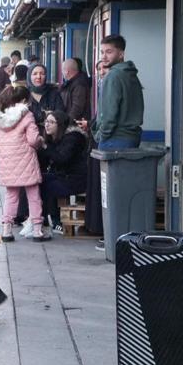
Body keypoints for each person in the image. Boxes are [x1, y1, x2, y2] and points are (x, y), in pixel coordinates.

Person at [0, 86, 46, 241]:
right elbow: (33, 139)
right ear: (23, 100)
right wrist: (41, 141)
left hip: (7, 162)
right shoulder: (27, 115)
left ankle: (7, 229)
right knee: (34, 195)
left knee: (11, 195)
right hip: (26, 160)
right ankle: (37, 230)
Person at [38, 111, 88, 235]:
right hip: (64, 176)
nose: (47, 125)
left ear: (59, 124)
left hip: (77, 180)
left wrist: (45, 146)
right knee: (37, 179)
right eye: (46, 122)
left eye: (51, 122)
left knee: (47, 185)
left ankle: (55, 221)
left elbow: (61, 158)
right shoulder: (55, 138)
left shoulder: (73, 138)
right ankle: (39, 218)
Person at [91, 35, 144, 150]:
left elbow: (109, 114)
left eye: (109, 52)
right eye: (102, 52)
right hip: (131, 137)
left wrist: (101, 136)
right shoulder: (130, 74)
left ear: (121, 54)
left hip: (114, 139)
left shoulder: (113, 75)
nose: (104, 57)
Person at [79, 61, 109, 251]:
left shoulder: (111, 87)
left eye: (104, 68)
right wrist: (90, 125)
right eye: (98, 69)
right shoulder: (103, 89)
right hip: (97, 141)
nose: (100, 72)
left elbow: (107, 119)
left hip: (105, 143)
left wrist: (95, 130)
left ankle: (105, 230)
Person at [27, 64, 65, 131]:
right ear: (29, 76)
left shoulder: (54, 93)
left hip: (50, 135)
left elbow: (61, 114)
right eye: (35, 74)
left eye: (42, 74)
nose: (38, 77)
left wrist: (52, 116)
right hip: (29, 134)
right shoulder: (24, 93)